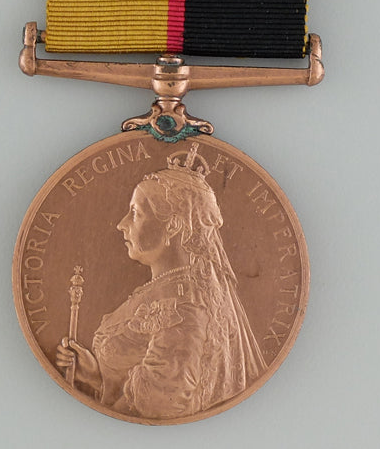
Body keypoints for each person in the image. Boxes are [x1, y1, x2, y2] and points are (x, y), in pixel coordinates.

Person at [56, 143, 265, 420]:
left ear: (174, 225)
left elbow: (160, 406)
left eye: (135, 213)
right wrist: (97, 378)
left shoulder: (183, 305)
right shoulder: (166, 291)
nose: (122, 224)